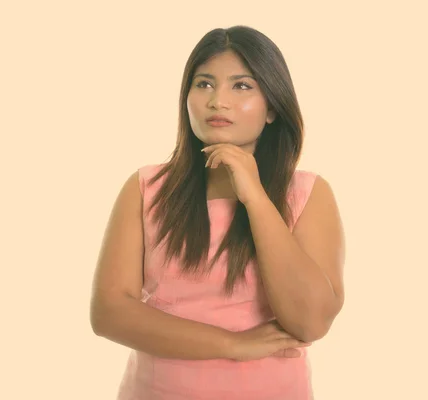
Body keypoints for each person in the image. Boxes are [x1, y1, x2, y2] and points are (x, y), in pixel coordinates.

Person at [89, 25, 345, 400]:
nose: (217, 101)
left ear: (272, 106)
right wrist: (232, 344)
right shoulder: (146, 189)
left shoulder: (307, 193)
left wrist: (255, 197)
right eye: (204, 84)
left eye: (241, 86)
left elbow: (311, 321)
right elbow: (109, 313)